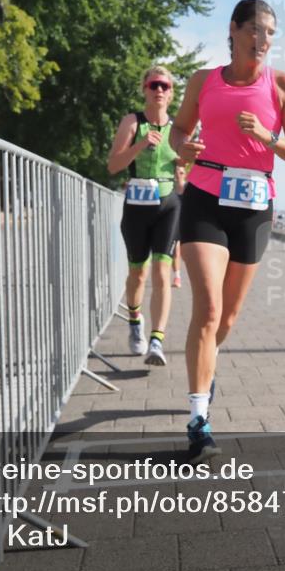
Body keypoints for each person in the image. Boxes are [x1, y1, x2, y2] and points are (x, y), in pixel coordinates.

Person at [171, 0, 285, 463]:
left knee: (226, 321)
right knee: (208, 310)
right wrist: (185, 148)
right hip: (205, 197)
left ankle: (205, 370)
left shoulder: (282, 85)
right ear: (233, 30)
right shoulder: (203, 81)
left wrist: (268, 137)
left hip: (253, 206)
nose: (263, 39)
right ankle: (198, 421)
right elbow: (179, 131)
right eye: (254, 29)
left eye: (270, 32)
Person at [107, 65, 182, 367]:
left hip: (168, 205)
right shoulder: (132, 122)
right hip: (137, 207)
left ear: (172, 92)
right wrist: (140, 144)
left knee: (163, 272)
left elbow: (186, 171)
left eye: (164, 86)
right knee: (138, 273)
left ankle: (156, 340)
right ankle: (135, 320)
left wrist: (186, 167)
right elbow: (113, 165)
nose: (159, 91)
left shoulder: (178, 129)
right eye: (154, 85)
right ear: (144, 89)